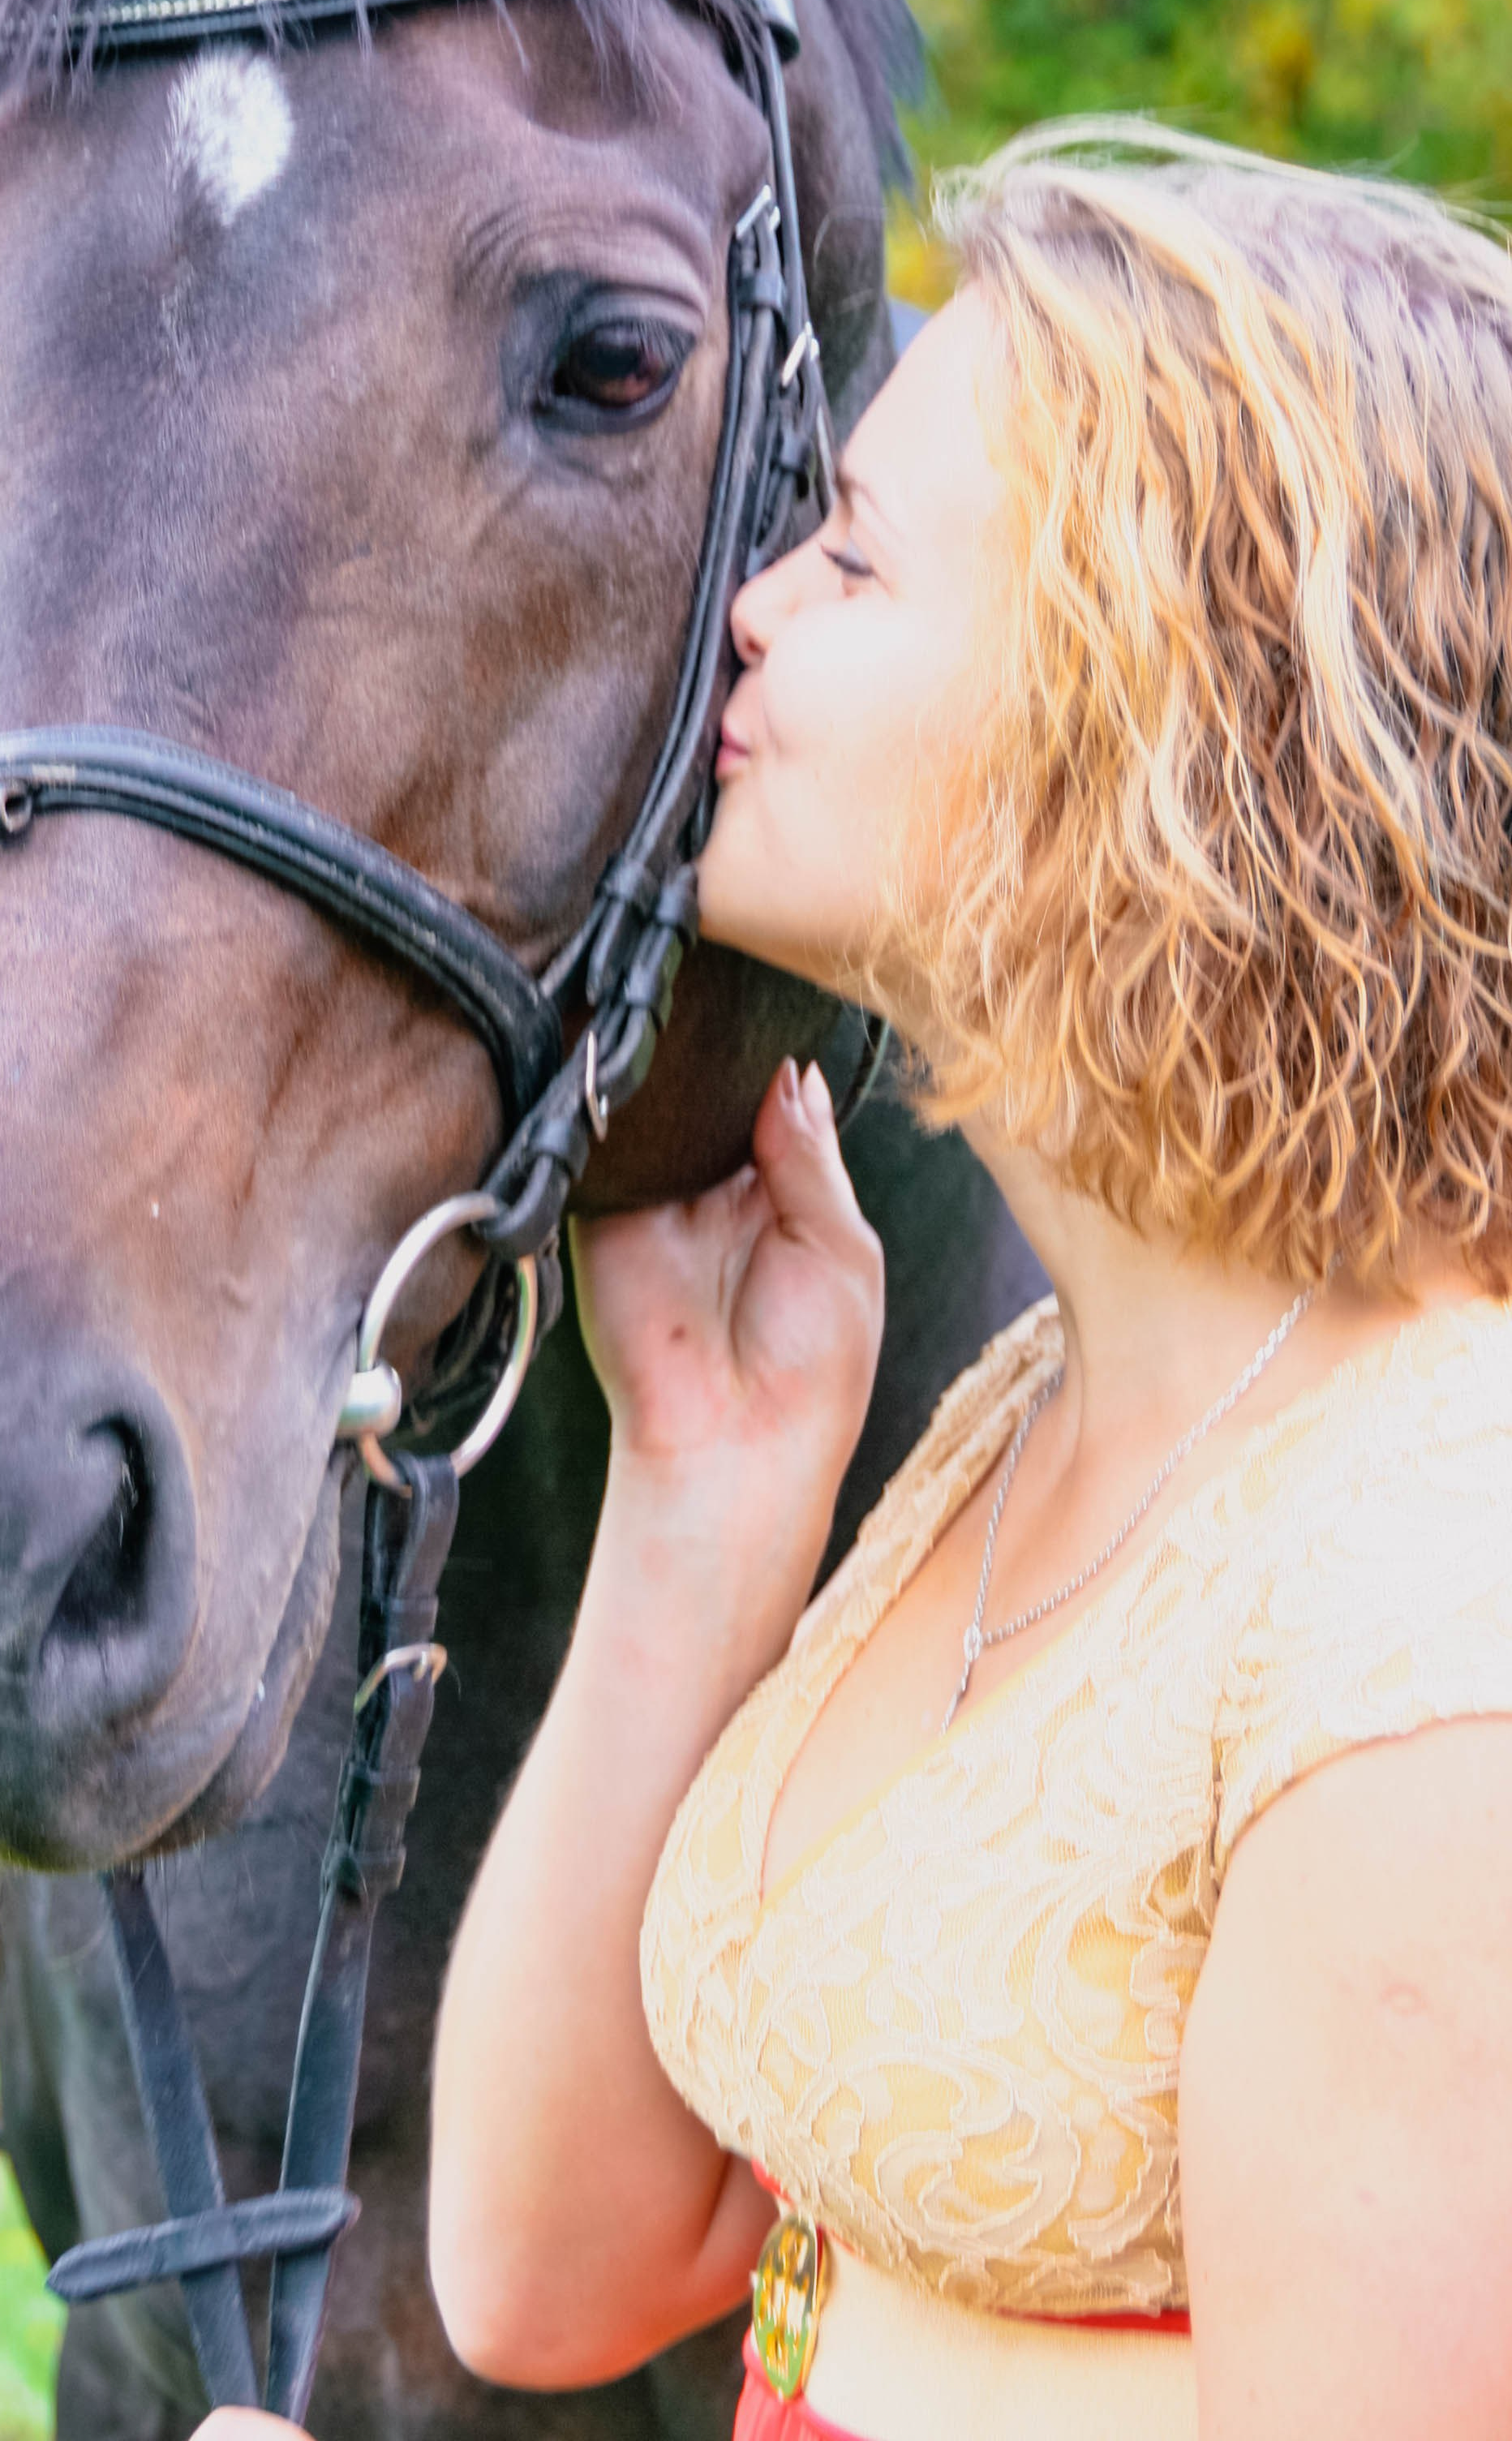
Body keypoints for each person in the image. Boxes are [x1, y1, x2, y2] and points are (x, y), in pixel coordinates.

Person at [413, 127, 1512, 2441]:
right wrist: (707, 1496)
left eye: (855, 552)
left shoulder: (1435, 1623)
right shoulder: (1028, 1410)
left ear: (1158, 722)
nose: (750, 605)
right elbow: (560, 2266)